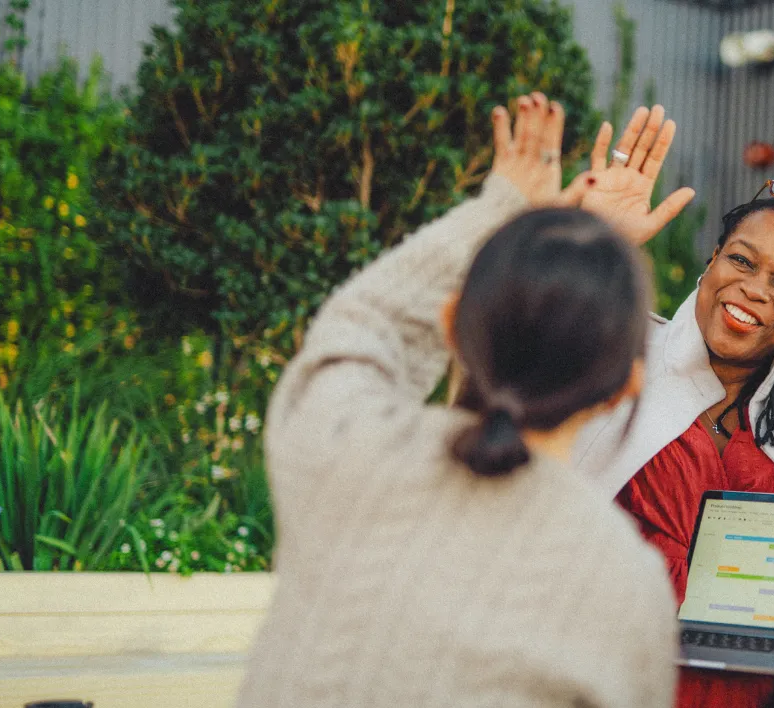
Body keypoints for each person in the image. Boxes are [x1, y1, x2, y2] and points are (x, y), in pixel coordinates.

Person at [236, 93, 681, 708]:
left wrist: (504, 208)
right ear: (625, 386)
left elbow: (366, 320)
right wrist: (590, 261)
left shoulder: (343, 447)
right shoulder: (624, 585)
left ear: (452, 328)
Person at [570, 108, 774, 708]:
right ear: (712, 263)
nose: (753, 288)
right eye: (742, 261)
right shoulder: (611, 355)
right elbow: (509, 355)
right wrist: (585, 251)